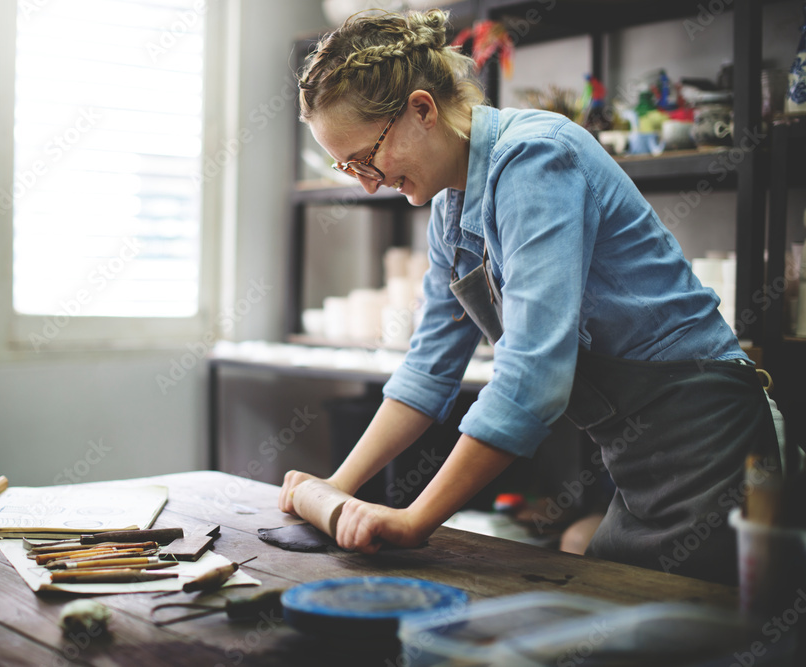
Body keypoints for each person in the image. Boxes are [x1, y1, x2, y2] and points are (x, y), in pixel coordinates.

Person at [278, 8, 782, 585]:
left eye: (367, 158)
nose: (366, 182)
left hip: (709, 442)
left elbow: (533, 377)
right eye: (347, 167)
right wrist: (336, 487)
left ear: (422, 109)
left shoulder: (537, 157)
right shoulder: (449, 208)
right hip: (638, 461)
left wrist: (417, 519)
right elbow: (427, 372)